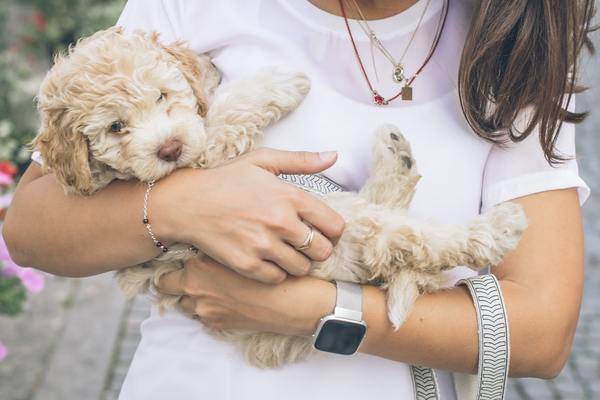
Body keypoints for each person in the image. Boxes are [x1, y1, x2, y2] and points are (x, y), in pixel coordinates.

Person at [3, 0, 595, 398]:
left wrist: (315, 310)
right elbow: (29, 226)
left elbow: (543, 332)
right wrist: (180, 205)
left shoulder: (515, 43)